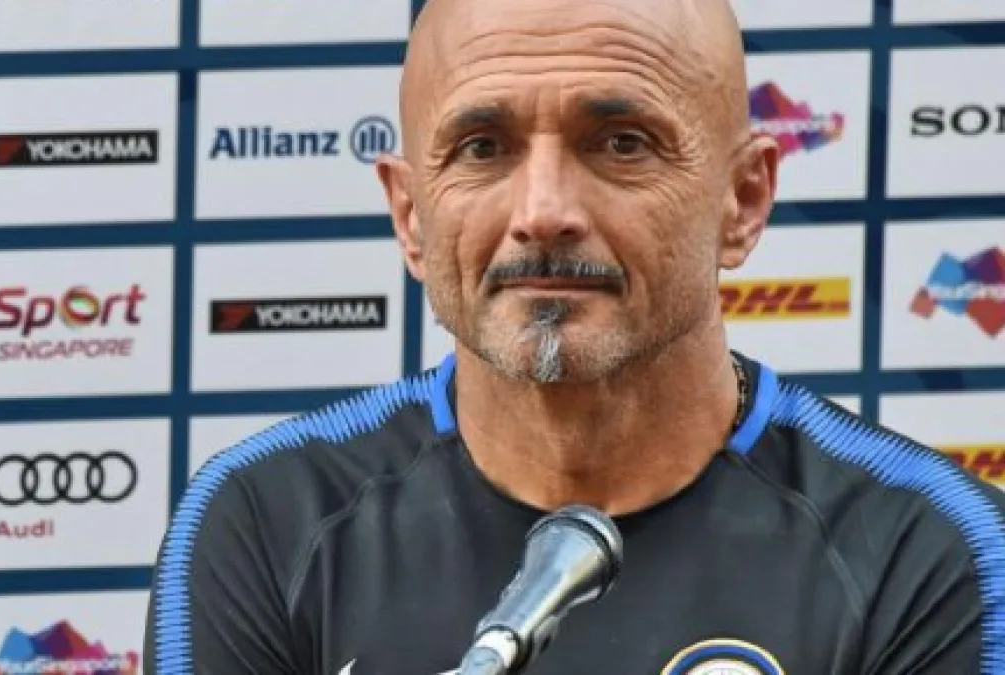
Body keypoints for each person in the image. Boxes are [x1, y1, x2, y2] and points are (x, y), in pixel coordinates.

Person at [144, 0, 1005, 671]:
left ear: (742, 201)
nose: (544, 211)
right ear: (410, 216)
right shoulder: (262, 523)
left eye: (621, 143)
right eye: (482, 147)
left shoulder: (934, 551)